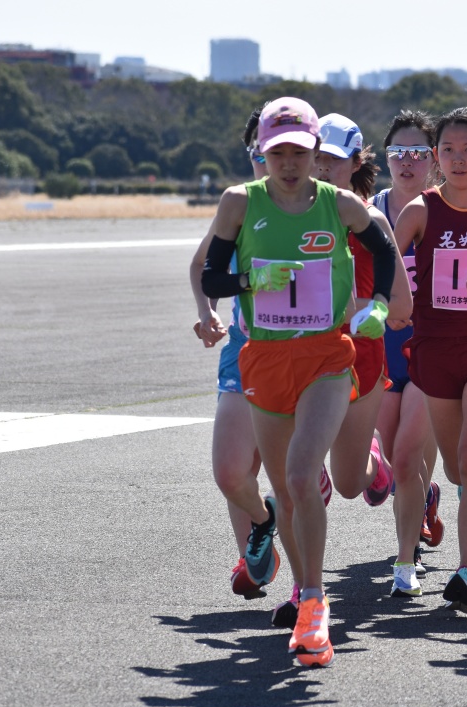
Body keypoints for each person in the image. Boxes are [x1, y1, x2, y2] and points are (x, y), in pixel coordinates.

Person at [200, 97, 400, 667]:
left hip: (326, 358)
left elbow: (384, 249)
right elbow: (211, 275)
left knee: (298, 474)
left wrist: (379, 303)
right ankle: (305, 586)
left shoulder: (341, 205)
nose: (288, 163)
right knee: (287, 492)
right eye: (277, 153)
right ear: (263, 154)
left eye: (299, 152)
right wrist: (249, 281)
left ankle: (313, 601)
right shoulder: (240, 202)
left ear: (315, 154)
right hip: (264, 359)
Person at [189, 105, 301, 620]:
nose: (271, 158)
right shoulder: (238, 204)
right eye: (262, 149)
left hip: (307, 355)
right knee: (233, 471)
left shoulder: (317, 204)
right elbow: (201, 267)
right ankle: (260, 530)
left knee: (289, 475)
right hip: (244, 348)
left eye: (285, 148)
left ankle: (304, 588)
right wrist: (207, 313)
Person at [393, 107, 467, 611]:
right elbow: (384, 263)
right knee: (457, 466)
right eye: (448, 150)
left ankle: (466, 571)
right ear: (436, 157)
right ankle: (444, 501)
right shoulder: (420, 210)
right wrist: (387, 303)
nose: (458, 160)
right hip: (435, 349)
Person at [312, 113, 414, 530]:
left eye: (333, 161)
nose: (322, 169)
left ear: (356, 163)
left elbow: (403, 305)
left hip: (360, 359)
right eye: (315, 158)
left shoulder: (372, 220)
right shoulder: (288, 219)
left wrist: (365, 308)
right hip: (302, 354)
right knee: (296, 461)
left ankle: (375, 459)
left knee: (350, 484)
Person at [371, 110, 445, 597]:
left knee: (406, 454)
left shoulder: (446, 210)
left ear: (433, 160)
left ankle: (406, 558)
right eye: (398, 152)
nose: (407, 161)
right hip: (381, 349)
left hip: (431, 348)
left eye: (418, 153)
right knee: (394, 464)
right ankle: (423, 497)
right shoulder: (369, 211)